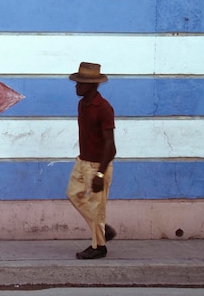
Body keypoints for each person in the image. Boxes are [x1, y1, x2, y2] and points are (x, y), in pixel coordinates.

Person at [67, 62, 117, 259]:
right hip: (82, 161)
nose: (76, 86)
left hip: (97, 165)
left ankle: (99, 246)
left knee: (97, 206)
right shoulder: (82, 104)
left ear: (93, 85)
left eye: (81, 84)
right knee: (73, 194)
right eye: (77, 82)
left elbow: (110, 146)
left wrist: (100, 173)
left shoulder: (103, 108)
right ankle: (102, 229)